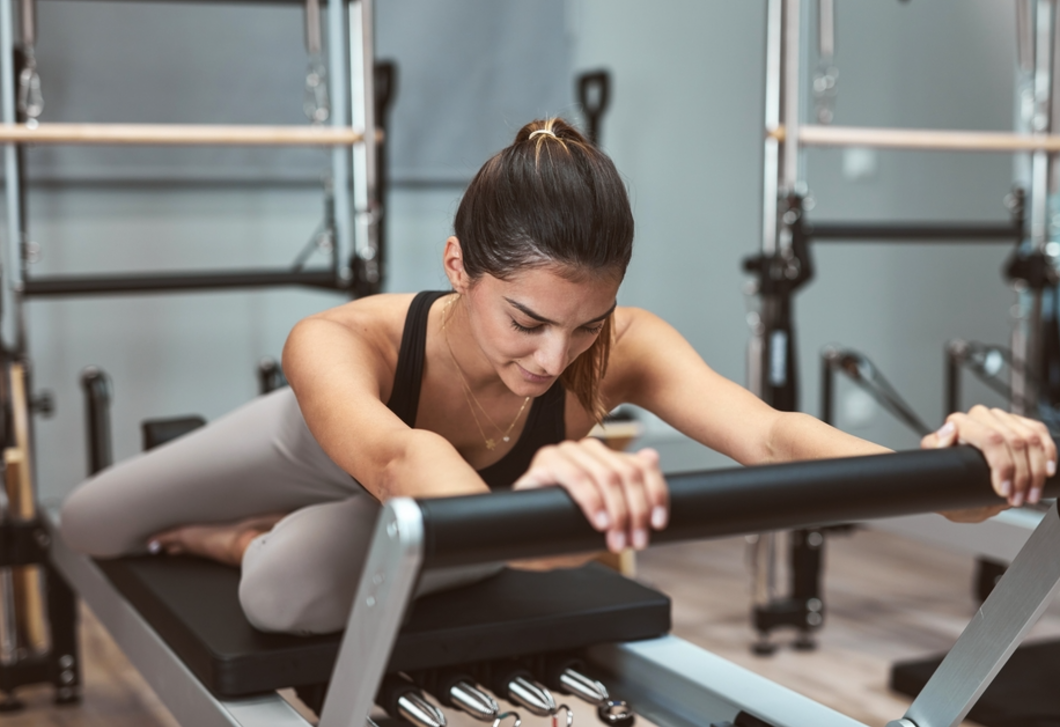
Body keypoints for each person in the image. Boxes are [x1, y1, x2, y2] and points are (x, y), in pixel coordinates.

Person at [60, 118, 1057, 636]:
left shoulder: (623, 345)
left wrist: (947, 474)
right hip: (339, 455)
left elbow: (766, 435)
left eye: (585, 327)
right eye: (526, 320)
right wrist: (532, 522)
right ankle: (242, 524)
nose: (553, 358)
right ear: (458, 266)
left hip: (452, 511)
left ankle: (240, 546)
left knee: (281, 587)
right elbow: (398, 455)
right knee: (88, 524)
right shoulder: (338, 339)